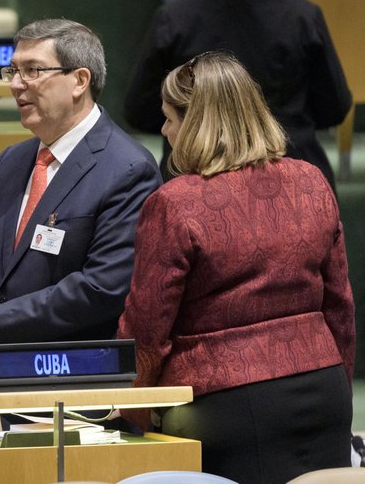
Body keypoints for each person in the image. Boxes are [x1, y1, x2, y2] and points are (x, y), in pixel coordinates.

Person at [117, 51, 355, 484]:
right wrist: (338, 377)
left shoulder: (174, 203)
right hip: (324, 392)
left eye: (169, 119)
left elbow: (147, 326)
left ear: (196, 124)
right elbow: (340, 307)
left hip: (225, 404)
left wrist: (132, 409)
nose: (165, 132)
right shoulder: (311, 180)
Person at [0, 18, 161, 372]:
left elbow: (102, 287)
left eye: (32, 70)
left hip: (77, 372)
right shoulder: (11, 162)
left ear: (79, 81)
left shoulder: (128, 168)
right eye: (13, 71)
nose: (16, 84)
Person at [124, 0, 352, 190]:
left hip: (196, 179)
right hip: (294, 178)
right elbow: (335, 108)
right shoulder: (303, 17)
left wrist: (201, 126)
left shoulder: (174, 19)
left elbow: (139, 111)